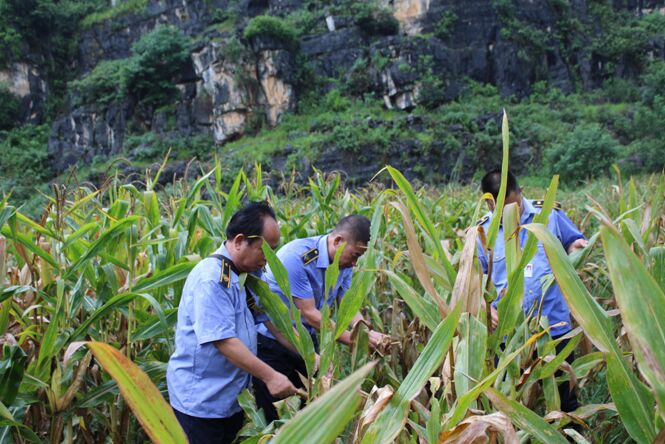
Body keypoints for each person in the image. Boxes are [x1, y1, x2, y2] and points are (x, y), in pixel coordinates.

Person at [166, 202, 298, 444]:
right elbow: (224, 342)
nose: (268, 260)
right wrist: (271, 377)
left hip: (232, 399)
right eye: (264, 251)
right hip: (202, 403)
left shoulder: (249, 275)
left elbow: (272, 320)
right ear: (239, 241)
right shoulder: (212, 279)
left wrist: (308, 355)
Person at [253, 215, 390, 422]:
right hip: (274, 342)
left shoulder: (343, 264)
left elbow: (347, 305)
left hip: (306, 339)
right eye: (354, 255)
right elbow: (310, 313)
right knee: (278, 417)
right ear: (338, 241)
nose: (354, 263)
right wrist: (356, 341)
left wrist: (365, 332)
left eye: (358, 258)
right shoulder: (297, 257)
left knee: (310, 409)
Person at [476, 169, 587, 412]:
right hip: (507, 336)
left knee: (565, 404)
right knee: (511, 406)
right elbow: (474, 279)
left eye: (513, 208)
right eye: (501, 211)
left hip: (554, 329)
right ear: (488, 204)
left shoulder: (550, 215)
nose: (509, 216)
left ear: (521, 192)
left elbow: (574, 242)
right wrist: (483, 306)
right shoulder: (482, 233)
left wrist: (576, 247)